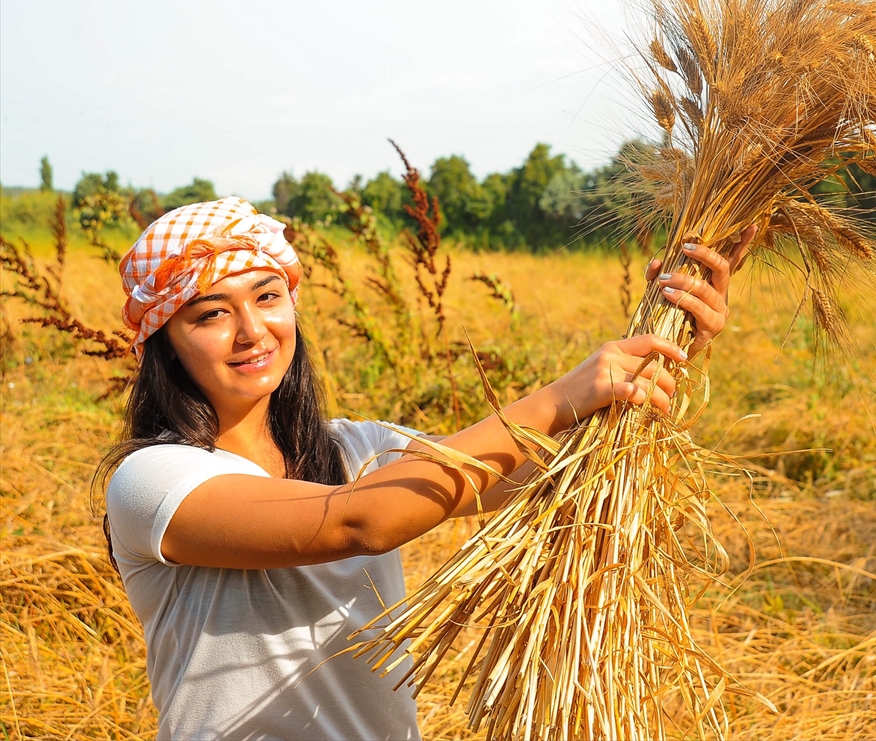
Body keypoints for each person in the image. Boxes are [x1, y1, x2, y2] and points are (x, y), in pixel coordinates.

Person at [99, 196, 753, 740]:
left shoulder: (360, 449)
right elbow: (357, 521)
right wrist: (565, 391)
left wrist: (665, 342)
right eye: (211, 313)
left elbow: (552, 476)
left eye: (268, 295)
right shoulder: (154, 480)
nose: (252, 330)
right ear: (165, 342)